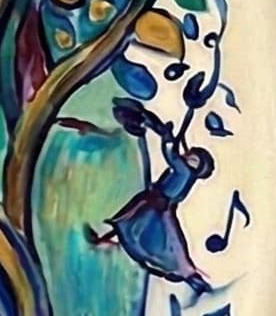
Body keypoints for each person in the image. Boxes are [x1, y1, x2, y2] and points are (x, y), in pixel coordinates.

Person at [89, 98, 212, 292]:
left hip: (157, 208)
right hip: (155, 204)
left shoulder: (185, 171)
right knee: (129, 223)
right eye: (191, 155)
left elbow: (171, 156)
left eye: (194, 160)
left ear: (196, 168)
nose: (189, 158)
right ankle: (103, 240)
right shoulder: (185, 172)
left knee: (136, 227)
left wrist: (166, 137)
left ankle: (104, 241)